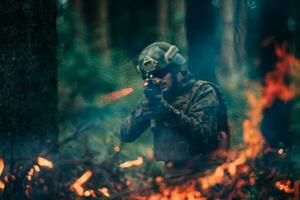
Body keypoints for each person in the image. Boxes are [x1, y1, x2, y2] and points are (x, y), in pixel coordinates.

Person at [120, 42, 230, 183]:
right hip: (173, 174)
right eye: (151, 77)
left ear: (176, 69)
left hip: (207, 173)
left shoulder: (203, 91)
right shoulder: (154, 98)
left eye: (161, 74)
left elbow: (203, 134)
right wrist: (143, 113)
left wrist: (166, 112)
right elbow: (126, 134)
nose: (157, 80)